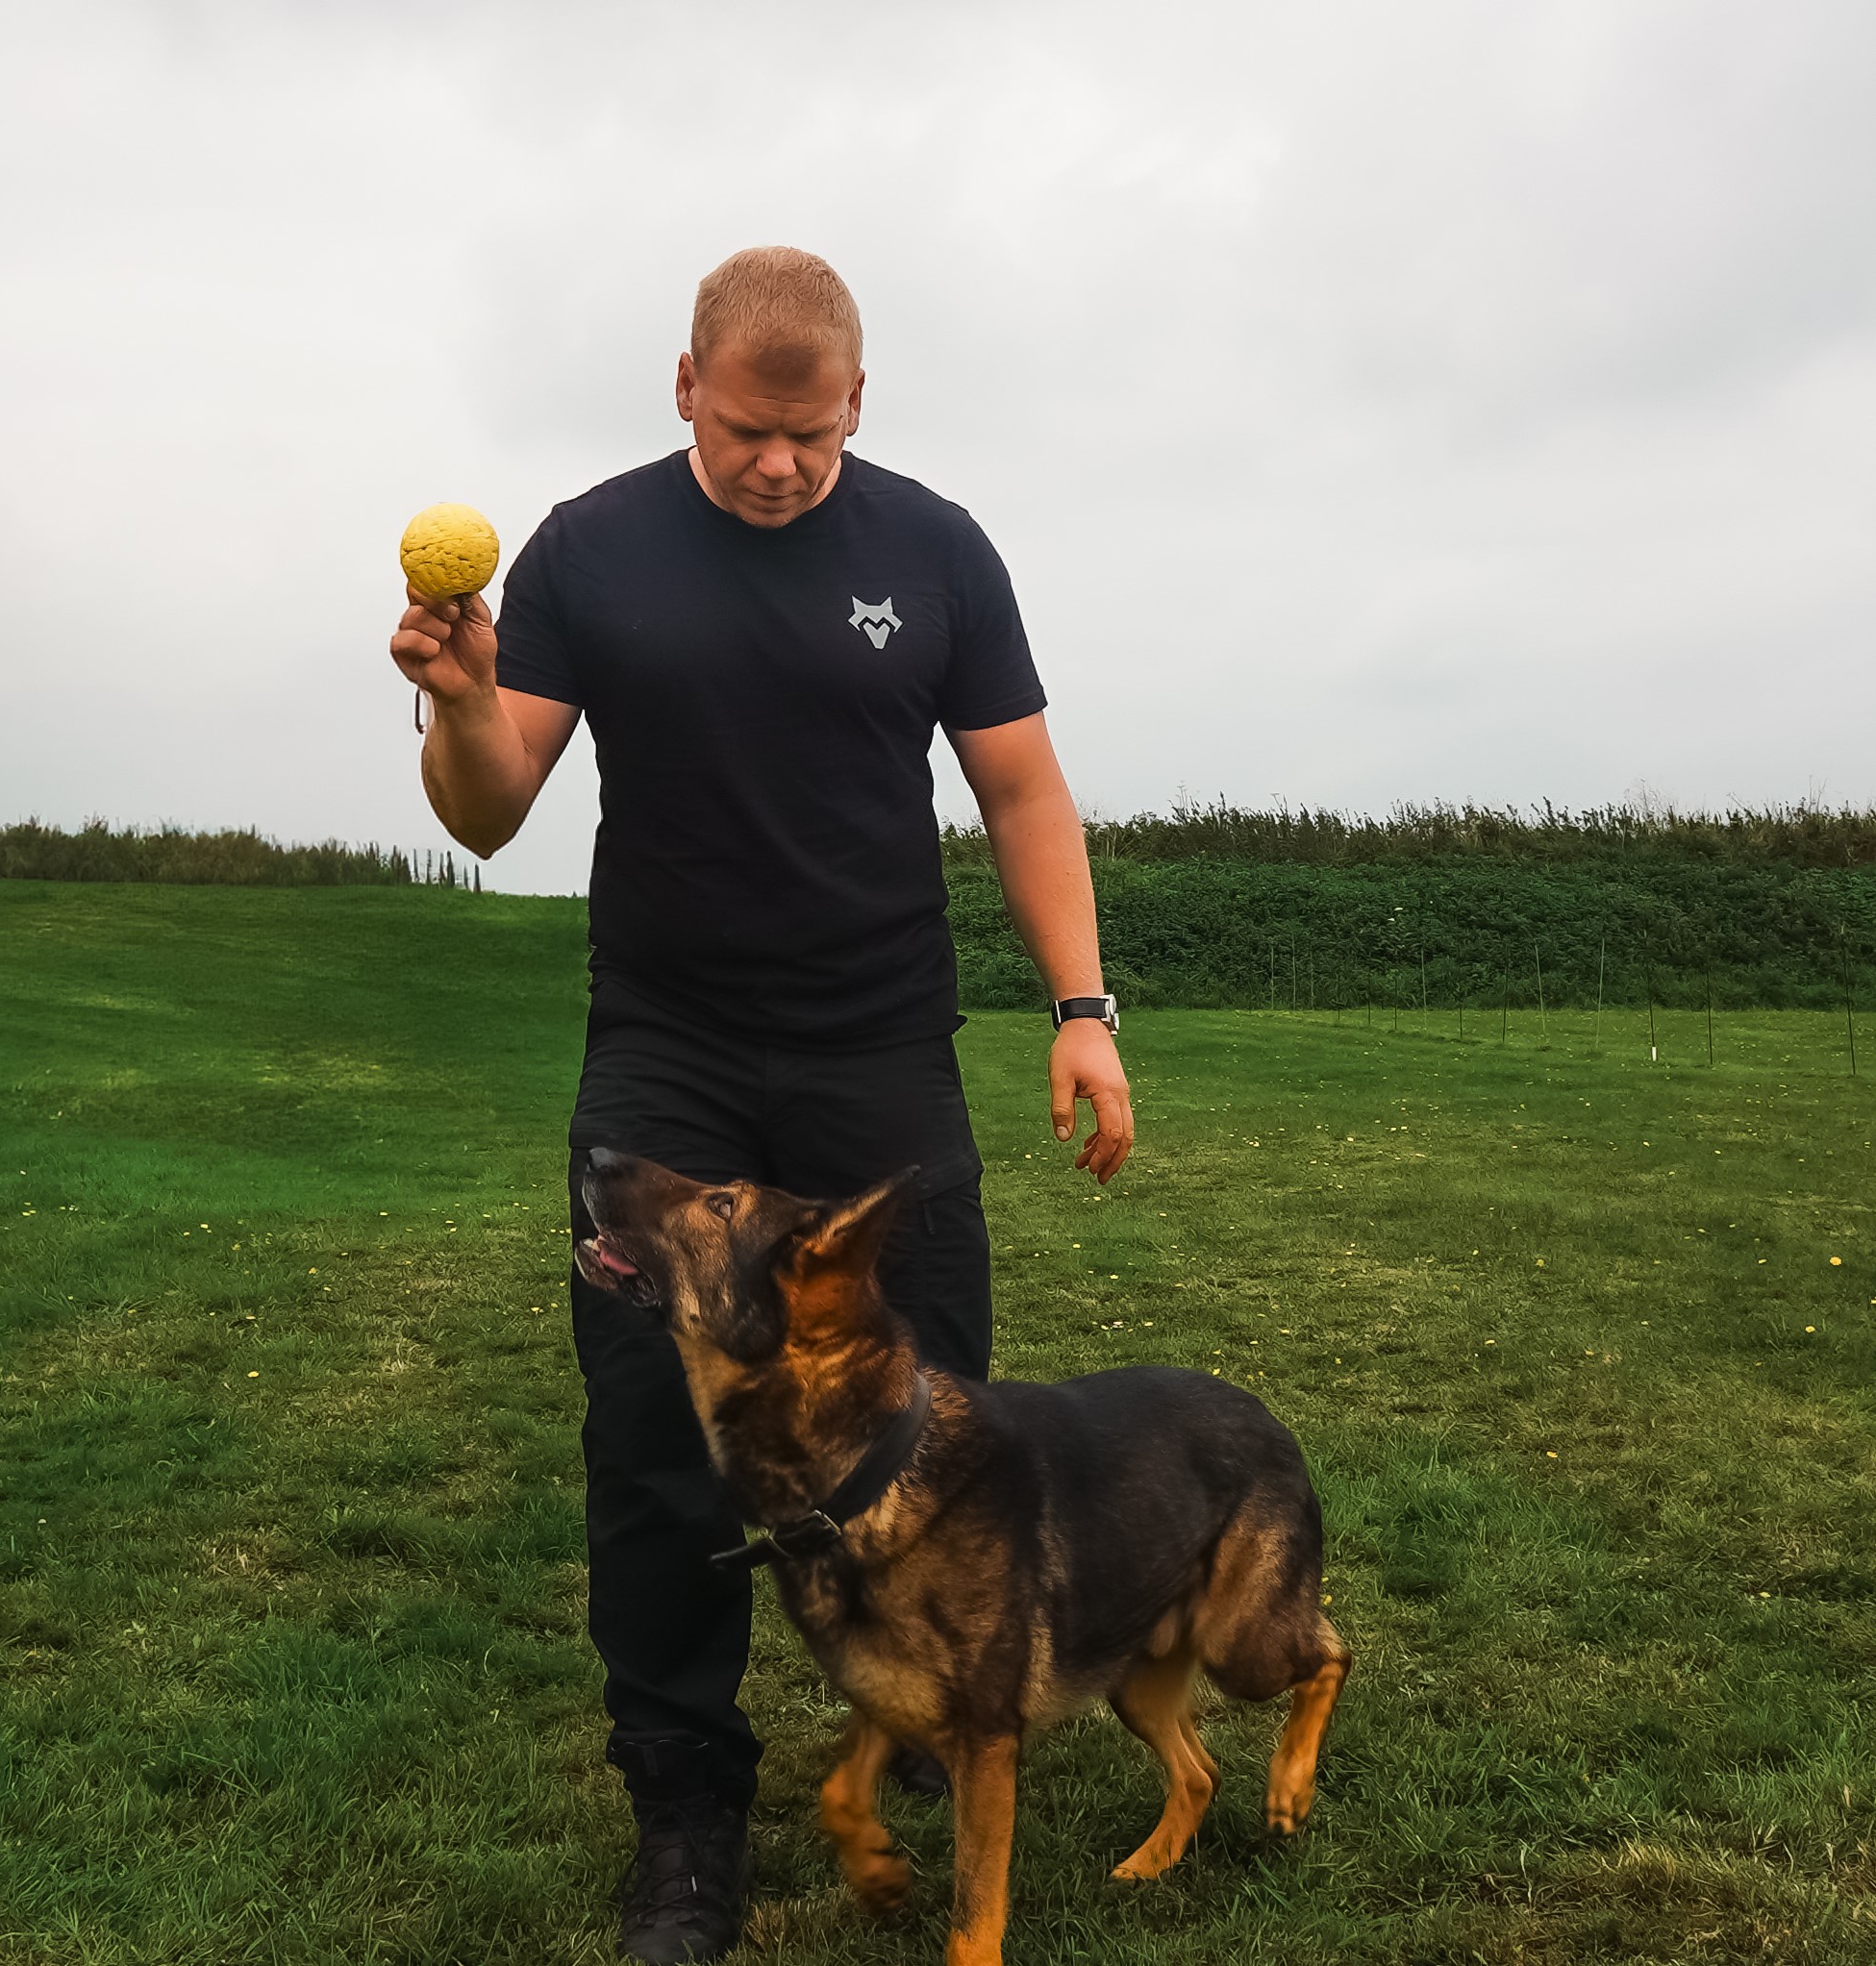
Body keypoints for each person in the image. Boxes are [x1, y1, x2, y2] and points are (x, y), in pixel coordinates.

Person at [388, 246, 1133, 1963]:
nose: (776, 464)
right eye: (744, 431)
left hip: (880, 1042)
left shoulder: (936, 551)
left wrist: (1081, 1009)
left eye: (807, 435)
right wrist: (452, 707)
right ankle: (686, 1810)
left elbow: (1020, 785)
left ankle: (947, 1739)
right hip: (669, 1051)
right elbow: (490, 811)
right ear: (685, 388)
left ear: (855, 406)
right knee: (655, 1440)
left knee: (930, 1416)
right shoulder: (594, 546)